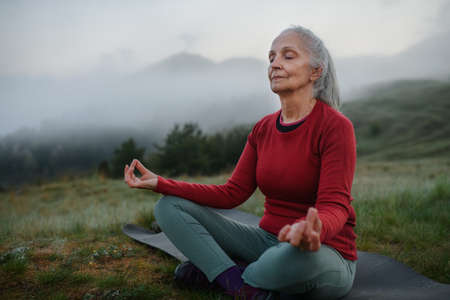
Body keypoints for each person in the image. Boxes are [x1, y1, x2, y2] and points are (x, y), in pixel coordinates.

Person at [124, 25, 357, 300]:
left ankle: (220, 273)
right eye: (271, 58)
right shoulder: (263, 129)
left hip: (321, 250)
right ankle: (239, 285)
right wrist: (162, 183)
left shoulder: (335, 127)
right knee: (168, 207)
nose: (275, 64)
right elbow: (231, 193)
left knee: (284, 260)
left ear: (316, 71)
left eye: (288, 56)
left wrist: (314, 228)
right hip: (265, 240)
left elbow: (335, 206)